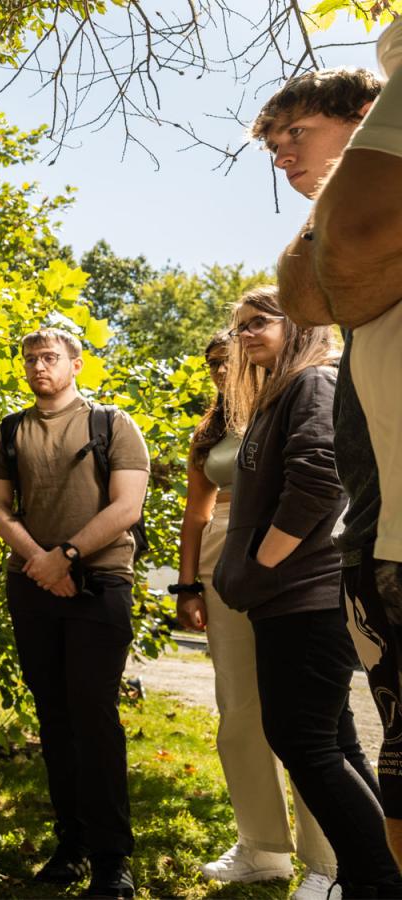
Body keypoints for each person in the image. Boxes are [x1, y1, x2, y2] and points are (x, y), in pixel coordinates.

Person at [211, 290, 402, 898]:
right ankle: (382, 870)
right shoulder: (277, 393)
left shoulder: (312, 382)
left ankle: (374, 880)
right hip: (287, 598)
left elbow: (319, 480)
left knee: (302, 740)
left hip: (307, 594)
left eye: (258, 322)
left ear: (298, 324)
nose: (245, 335)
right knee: (336, 740)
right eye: (239, 326)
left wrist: (261, 566)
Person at [270, 54, 402, 865]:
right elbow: (306, 296)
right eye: (273, 146)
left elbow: (337, 276)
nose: (284, 157)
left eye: (296, 135)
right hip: (381, 532)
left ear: (366, 120)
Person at [0, 328, 149, 900]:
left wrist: (69, 556)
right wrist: (39, 561)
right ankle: (71, 844)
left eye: (50, 357)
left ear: (76, 363)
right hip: (31, 583)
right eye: (30, 359)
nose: (38, 367)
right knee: (54, 716)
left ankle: (111, 859)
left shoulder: (113, 425)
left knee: (93, 716)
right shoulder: (9, 431)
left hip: (100, 583)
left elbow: (127, 506)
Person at [172, 324, 337, 899]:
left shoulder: (297, 398)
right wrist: (186, 587)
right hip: (223, 558)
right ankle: (262, 847)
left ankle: (328, 858)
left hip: (287, 550)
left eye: (231, 356)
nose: (222, 370)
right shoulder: (212, 428)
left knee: (303, 715)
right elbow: (195, 515)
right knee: (239, 708)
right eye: (213, 361)